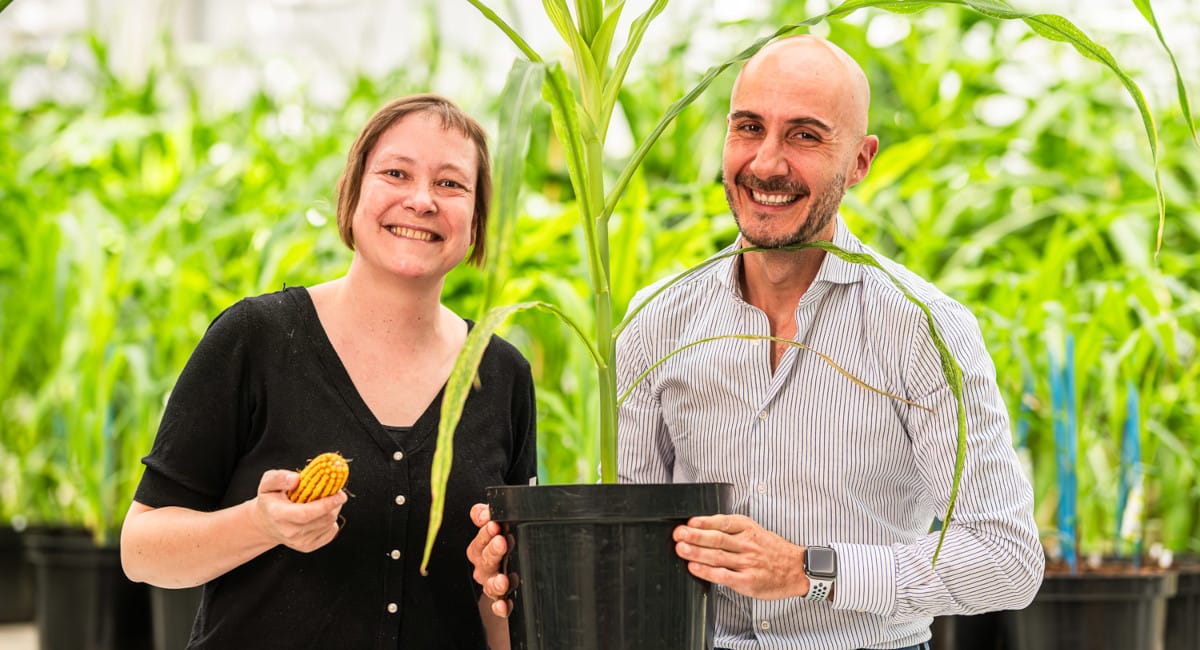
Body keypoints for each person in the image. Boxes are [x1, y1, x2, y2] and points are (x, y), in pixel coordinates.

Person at [467, 35, 1042, 650]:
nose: (766, 163)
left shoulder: (924, 328)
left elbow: (1006, 557)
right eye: (748, 128)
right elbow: (627, 551)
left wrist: (810, 570)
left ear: (860, 161)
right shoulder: (658, 319)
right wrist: (521, 567)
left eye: (805, 135)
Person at [121, 94, 537, 650]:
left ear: (476, 220)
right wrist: (260, 524)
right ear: (353, 192)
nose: (421, 200)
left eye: (451, 184)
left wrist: (498, 588)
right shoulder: (256, 338)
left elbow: (505, 623)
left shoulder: (502, 374)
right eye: (396, 173)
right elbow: (141, 550)